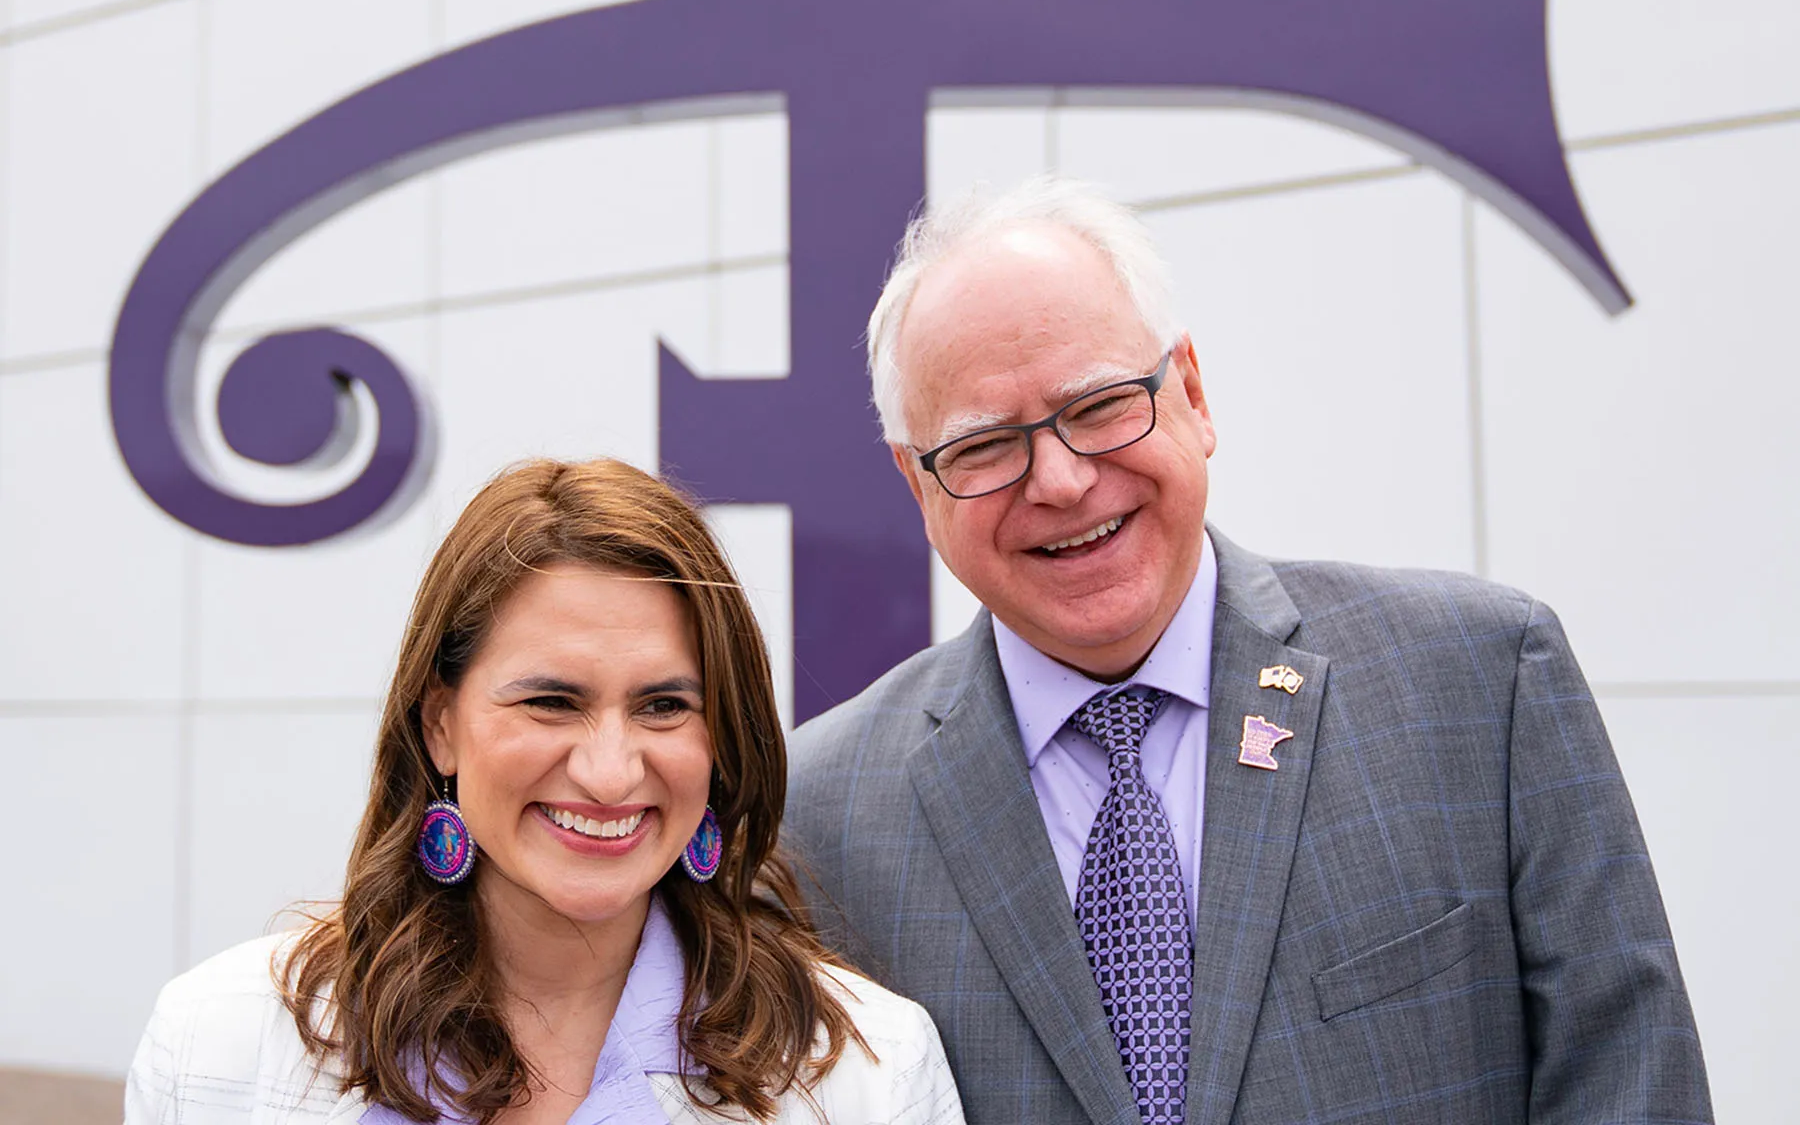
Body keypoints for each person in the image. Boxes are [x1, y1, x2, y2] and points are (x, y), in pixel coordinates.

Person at [782, 177, 1712, 1125]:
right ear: (917, 481)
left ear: (1191, 391)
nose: (1059, 481)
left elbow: (1631, 1085)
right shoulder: (817, 819)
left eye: (1100, 406)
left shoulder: (1479, 684)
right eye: (984, 447)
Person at [126, 458, 966, 1125]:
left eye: (665, 706)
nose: (609, 772)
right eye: (551, 702)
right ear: (440, 724)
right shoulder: (218, 1044)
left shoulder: (868, 1075)